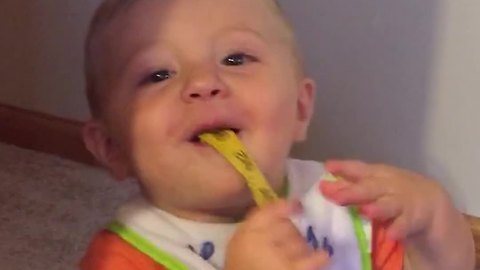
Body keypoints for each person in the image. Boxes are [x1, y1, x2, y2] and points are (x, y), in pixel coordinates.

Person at [79, 0, 475, 269]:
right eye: (157, 74)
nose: (203, 82)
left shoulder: (344, 204)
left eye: (235, 58)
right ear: (113, 148)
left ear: (301, 109)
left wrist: (435, 226)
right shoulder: (123, 258)